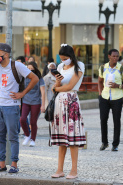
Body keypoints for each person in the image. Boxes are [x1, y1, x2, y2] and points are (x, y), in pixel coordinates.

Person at [0, 43, 39, 173]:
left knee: (13, 136)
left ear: (6, 54)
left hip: (11, 106)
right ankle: (2, 164)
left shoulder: (17, 66)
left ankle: (14, 164)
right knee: (0, 136)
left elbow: (34, 78)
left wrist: (22, 94)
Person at [50, 44, 86, 179]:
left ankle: (74, 170)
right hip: (60, 102)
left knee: (72, 137)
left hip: (71, 100)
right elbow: (56, 86)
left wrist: (56, 89)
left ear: (71, 57)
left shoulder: (80, 65)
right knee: (61, 137)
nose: (63, 60)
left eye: (65, 58)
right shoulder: (60, 67)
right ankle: (59, 169)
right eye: (61, 58)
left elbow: (71, 86)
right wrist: (57, 84)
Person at [98, 49, 123, 152]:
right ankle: (104, 143)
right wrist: (100, 93)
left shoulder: (122, 69)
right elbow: (99, 81)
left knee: (116, 121)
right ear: (109, 56)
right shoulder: (103, 68)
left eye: (117, 56)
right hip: (104, 97)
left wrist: (118, 85)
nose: (116, 58)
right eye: (114, 56)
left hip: (117, 98)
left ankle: (115, 145)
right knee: (103, 120)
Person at [20, 62, 45, 147]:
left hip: (36, 102)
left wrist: (43, 104)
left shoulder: (39, 78)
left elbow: (43, 92)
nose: (30, 70)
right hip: (25, 101)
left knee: (33, 122)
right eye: (28, 68)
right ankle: (27, 135)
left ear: (35, 68)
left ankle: (33, 139)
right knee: (22, 119)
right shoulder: (24, 77)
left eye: (31, 68)